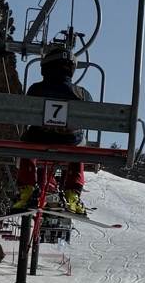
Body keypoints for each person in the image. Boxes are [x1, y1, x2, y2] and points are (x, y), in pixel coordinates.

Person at [10, 46, 92, 215]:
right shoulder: (81, 93)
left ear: (45, 68)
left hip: (39, 138)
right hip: (70, 141)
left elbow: (26, 115)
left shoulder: (35, 90)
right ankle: (72, 192)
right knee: (80, 147)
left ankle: (27, 187)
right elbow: (90, 118)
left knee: (26, 141)